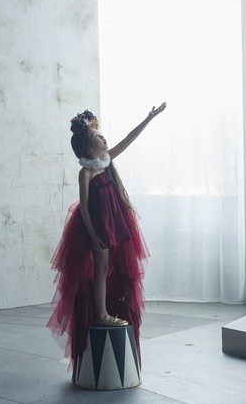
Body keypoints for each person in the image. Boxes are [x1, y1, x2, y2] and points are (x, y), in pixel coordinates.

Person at [46, 102, 167, 374]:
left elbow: (128, 139)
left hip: (114, 222)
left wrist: (148, 118)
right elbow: (84, 207)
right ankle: (101, 314)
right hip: (97, 228)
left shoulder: (106, 161)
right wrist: (93, 235)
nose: (102, 137)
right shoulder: (87, 172)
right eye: (96, 136)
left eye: (99, 134)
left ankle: (104, 311)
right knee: (100, 270)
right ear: (89, 149)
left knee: (108, 268)